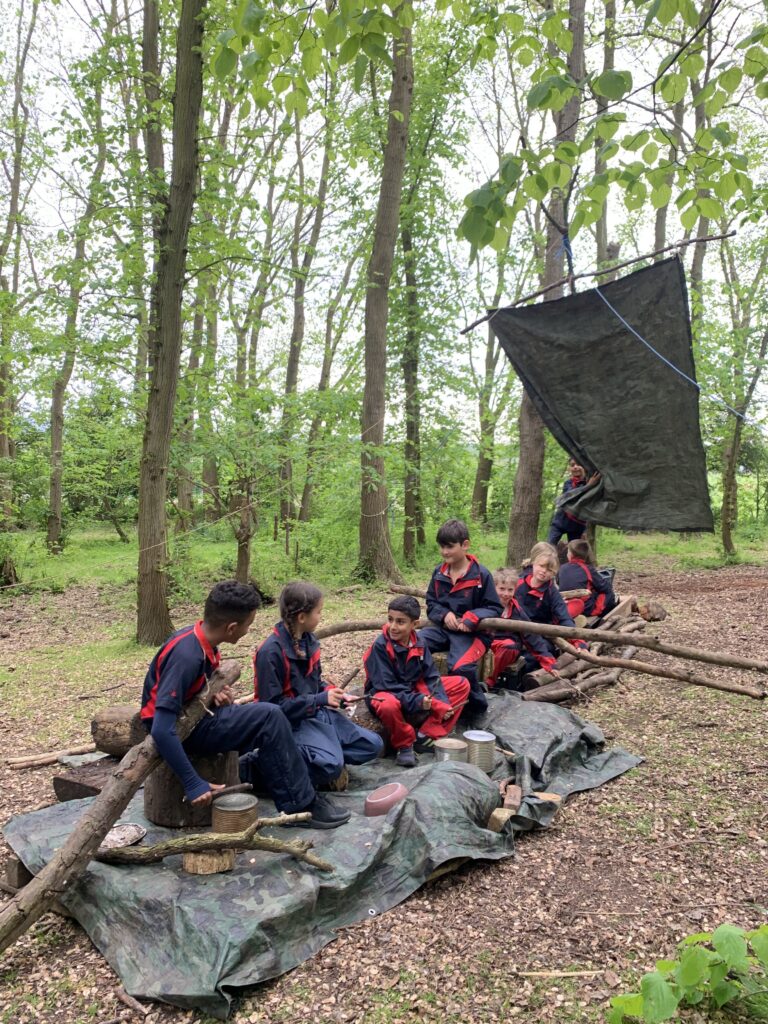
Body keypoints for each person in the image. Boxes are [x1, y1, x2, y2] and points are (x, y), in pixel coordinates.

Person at [140, 580, 350, 830]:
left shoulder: (200, 639)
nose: (249, 631)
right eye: (249, 624)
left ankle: (298, 792)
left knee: (267, 718)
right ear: (231, 628)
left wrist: (209, 693)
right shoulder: (187, 655)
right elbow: (161, 728)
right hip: (182, 732)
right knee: (269, 716)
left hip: (196, 717)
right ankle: (300, 804)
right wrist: (192, 781)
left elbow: (191, 686)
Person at [254, 581, 383, 787]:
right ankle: (263, 767)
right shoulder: (270, 652)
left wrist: (334, 694)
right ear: (302, 617)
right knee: (330, 766)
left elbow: (317, 684)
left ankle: (323, 752)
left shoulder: (309, 641)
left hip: (317, 714)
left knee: (373, 745)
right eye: (319, 612)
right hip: (291, 724)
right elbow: (271, 709)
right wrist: (320, 699)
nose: (321, 616)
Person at [363, 596, 470, 768]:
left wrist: (440, 702)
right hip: (385, 692)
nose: (393, 626)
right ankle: (405, 745)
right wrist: (420, 701)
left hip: (412, 688)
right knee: (387, 705)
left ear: (415, 625)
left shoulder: (419, 643)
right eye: (390, 620)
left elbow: (431, 676)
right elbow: (386, 686)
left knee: (461, 683)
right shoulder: (380, 646)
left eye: (400, 622)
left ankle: (427, 734)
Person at [418, 518, 502, 715]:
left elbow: (494, 607)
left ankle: (477, 709)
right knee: (413, 647)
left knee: (460, 668)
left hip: (473, 635)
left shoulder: (481, 575)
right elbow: (431, 603)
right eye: (441, 546)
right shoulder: (439, 573)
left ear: (465, 545)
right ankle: (430, 698)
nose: (444, 552)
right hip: (442, 630)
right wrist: (443, 613)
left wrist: (473, 617)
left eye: (449, 546)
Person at [513, 542, 587, 673]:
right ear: (533, 563)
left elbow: (564, 617)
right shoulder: (517, 583)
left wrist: (578, 640)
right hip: (514, 631)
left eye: (549, 570)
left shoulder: (552, 592)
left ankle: (526, 684)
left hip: (540, 634)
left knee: (539, 653)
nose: (543, 572)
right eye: (541, 566)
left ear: (554, 573)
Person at [486, 568, 559, 688]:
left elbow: (532, 636)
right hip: (487, 642)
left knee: (509, 647)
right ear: (494, 588)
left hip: (506, 647)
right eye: (502, 589)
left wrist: (548, 662)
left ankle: (489, 681)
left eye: (510, 590)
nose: (506, 594)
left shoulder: (517, 611)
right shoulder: (485, 604)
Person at [558, 538, 617, 620]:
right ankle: (600, 615)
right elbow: (605, 587)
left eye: (568, 551)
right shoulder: (588, 569)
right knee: (609, 593)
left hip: (566, 603)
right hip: (585, 608)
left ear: (570, 554)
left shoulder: (562, 568)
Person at [546, 458, 599, 546]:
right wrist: (589, 486)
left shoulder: (590, 482)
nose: (575, 467)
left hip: (577, 525)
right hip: (560, 522)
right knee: (549, 547)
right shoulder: (568, 483)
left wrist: (589, 485)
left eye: (578, 464)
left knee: (576, 552)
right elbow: (570, 495)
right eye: (572, 465)